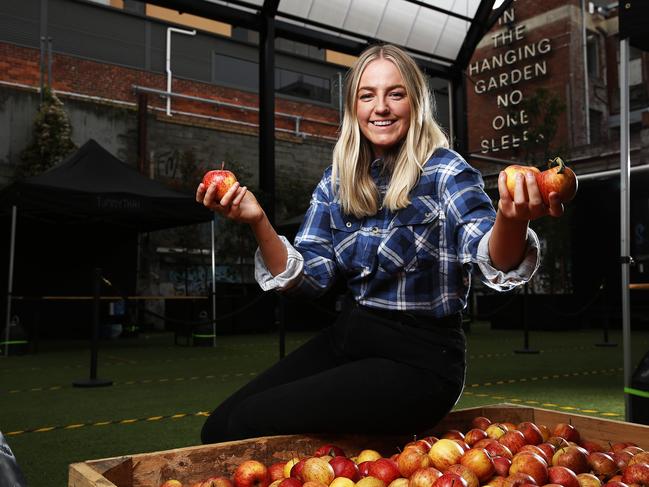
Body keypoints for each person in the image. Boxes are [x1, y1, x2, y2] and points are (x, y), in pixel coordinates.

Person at [196, 44, 563, 444]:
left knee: (250, 420)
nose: (381, 107)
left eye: (395, 93)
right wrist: (258, 220)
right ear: (354, 108)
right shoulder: (338, 180)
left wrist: (512, 216)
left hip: (420, 361)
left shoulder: (446, 171)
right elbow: (309, 277)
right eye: (367, 95)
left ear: (416, 103)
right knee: (218, 429)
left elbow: (493, 260)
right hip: (350, 338)